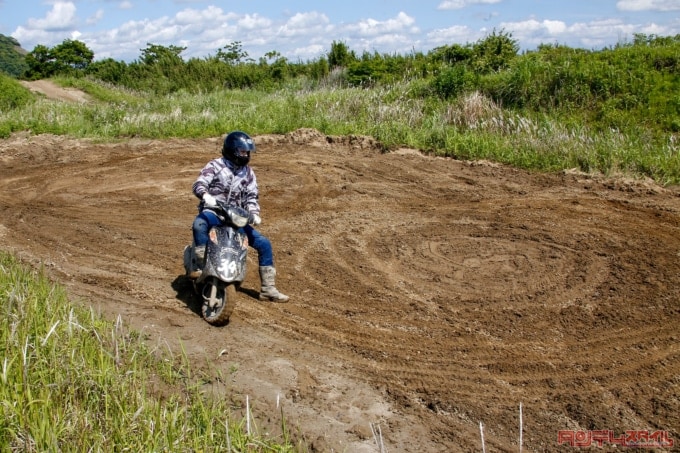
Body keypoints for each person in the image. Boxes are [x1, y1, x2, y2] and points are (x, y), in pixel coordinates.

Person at [189, 131, 289, 303]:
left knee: (264, 244)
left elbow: (251, 196)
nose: (246, 155)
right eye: (243, 151)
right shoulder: (215, 165)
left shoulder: (248, 173)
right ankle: (201, 265)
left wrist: (254, 214)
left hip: (236, 217)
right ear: (232, 150)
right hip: (215, 212)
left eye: (248, 152)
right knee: (199, 224)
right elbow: (199, 183)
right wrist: (205, 196)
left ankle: (268, 288)